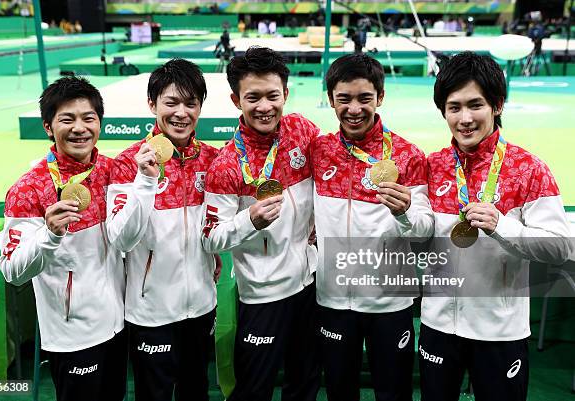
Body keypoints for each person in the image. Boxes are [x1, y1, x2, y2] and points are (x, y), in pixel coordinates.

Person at [420, 51, 572, 401]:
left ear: (497, 105)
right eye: (454, 107)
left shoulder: (529, 169)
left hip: (500, 331)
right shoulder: (432, 166)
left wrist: (502, 226)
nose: (465, 118)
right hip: (438, 323)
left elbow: (561, 246)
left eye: (476, 105)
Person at [201, 46, 321, 401]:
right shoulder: (226, 165)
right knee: (254, 388)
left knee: (305, 381)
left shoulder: (302, 130)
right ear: (236, 100)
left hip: (309, 284)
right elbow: (210, 238)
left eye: (272, 95)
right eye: (253, 97)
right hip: (262, 296)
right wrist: (249, 219)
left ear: (286, 93)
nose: (264, 106)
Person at [312, 53, 433, 401]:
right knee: (339, 390)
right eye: (344, 99)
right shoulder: (318, 151)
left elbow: (424, 231)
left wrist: (405, 212)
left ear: (379, 97)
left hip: (390, 302)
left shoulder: (408, 156)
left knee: (393, 392)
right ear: (331, 99)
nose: (354, 109)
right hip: (333, 298)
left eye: (364, 98)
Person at [0, 76, 127, 401]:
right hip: (72, 335)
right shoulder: (27, 189)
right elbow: (12, 271)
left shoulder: (114, 172)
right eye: (67, 119)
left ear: (100, 123)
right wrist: (49, 235)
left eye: (88, 118)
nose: (79, 128)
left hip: (119, 322)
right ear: (47, 126)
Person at [106, 59, 220, 401]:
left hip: (201, 305)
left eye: (190, 103)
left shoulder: (213, 160)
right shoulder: (128, 163)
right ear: (152, 104)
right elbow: (122, 238)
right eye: (171, 103)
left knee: (196, 389)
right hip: (151, 310)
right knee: (153, 394)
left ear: (200, 106)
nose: (181, 113)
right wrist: (145, 181)